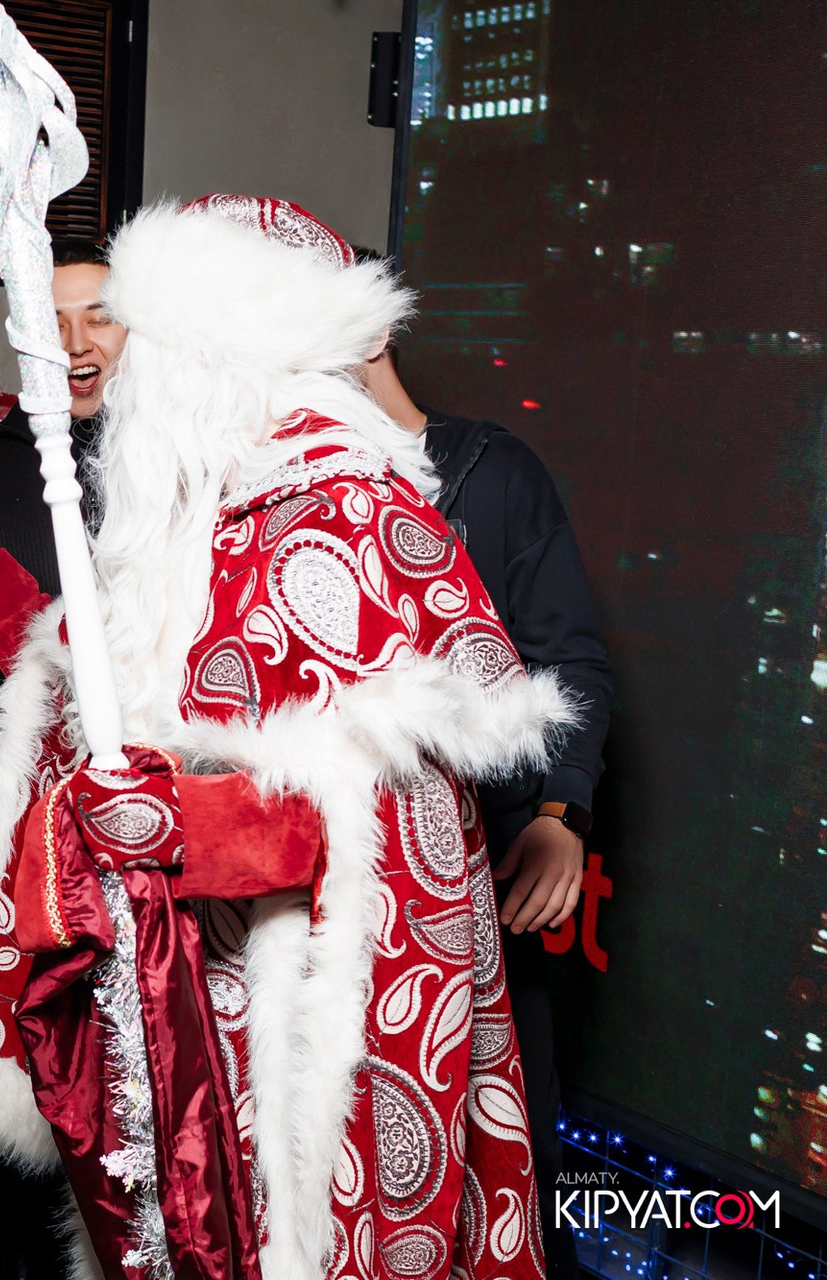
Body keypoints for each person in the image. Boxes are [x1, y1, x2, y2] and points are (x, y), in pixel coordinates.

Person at [0, 196, 573, 1279]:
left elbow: (385, 815)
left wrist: (180, 820)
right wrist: (15, 622)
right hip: (191, 990)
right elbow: (140, 690)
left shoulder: (344, 512)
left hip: (315, 999)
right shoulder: (201, 505)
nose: (129, 376)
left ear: (218, 356)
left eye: (152, 345)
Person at [364, 332, 614, 1275]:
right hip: (354, 879)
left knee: (505, 1137)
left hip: (487, 865)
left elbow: (571, 659)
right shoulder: (287, 490)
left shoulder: (490, 471)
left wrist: (560, 814)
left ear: (371, 326)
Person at [0, 237, 124, 1278]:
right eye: (53, 320)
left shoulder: (181, 461)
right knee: (13, 1063)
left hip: (149, 818)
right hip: (10, 811)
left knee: (136, 1073)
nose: (77, 340)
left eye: (101, 314)